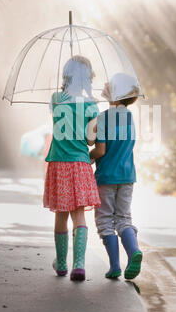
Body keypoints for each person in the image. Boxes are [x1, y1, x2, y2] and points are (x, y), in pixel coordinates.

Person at [43, 55, 100, 281]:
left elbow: (56, 121)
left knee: (61, 214)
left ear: (66, 75)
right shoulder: (91, 105)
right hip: (80, 163)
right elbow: (89, 141)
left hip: (58, 163)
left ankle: (61, 263)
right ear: (87, 79)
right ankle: (79, 264)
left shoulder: (56, 98)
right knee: (79, 216)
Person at [90, 73, 142, 280]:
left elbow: (100, 151)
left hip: (106, 178)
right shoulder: (130, 118)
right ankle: (133, 251)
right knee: (123, 218)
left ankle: (114, 266)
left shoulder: (103, 118)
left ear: (116, 94)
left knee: (104, 221)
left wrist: (87, 158)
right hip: (128, 176)